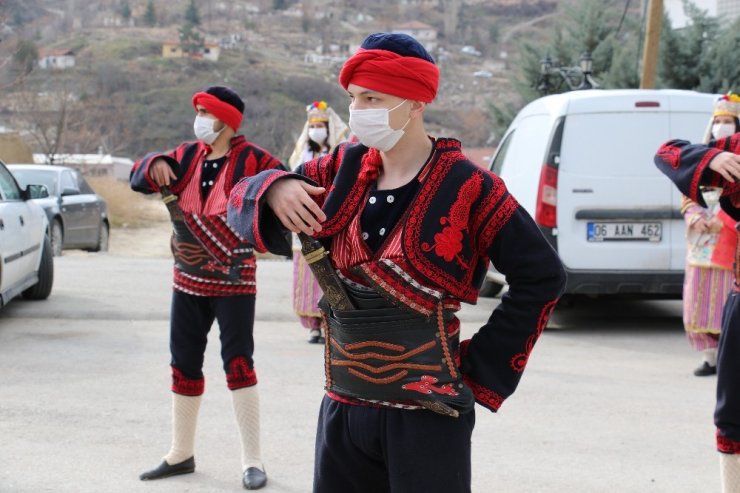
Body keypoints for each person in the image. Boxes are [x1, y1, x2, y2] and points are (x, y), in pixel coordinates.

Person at [227, 33, 566, 492]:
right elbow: (238, 201)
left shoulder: (471, 187)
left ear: (415, 102)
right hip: (343, 408)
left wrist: (481, 369)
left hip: (428, 418)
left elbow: (542, 276)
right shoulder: (337, 171)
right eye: (353, 98)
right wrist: (274, 185)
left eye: (372, 98)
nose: (357, 110)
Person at [130, 85, 285, 490]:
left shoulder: (255, 160)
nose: (199, 119)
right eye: (197, 111)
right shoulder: (184, 156)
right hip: (187, 281)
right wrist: (155, 163)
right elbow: (139, 176)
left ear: (227, 122)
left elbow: (283, 183)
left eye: (206, 113)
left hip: (235, 282)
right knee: (183, 362)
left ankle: (253, 460)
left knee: (238, 363)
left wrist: (267, 195)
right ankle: (180, 453)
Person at [654, 91, 740, 492]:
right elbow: (668, 153)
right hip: (726, 267)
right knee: (734, 412)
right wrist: (710, 158)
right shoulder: (734, 150)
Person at [680, 95, 740, 376]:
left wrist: (723, 220)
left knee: (725, 302)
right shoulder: (703, 157)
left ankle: (728, 356)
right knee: (698, 302)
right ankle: (710, 357)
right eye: (717, 121)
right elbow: (687, 194)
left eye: (727, 121)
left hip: (729, 242)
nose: (721, 126)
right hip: (700, 242)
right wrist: (695, 216)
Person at [287, 101, 350, 343]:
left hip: (330, 216)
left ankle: (329, 323)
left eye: (320, 125)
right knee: (306, 275)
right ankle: (313, 326)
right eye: (312, 125)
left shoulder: (338, 153)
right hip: (305, 218)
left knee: (330, 272)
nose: (316, 130)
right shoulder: (303, 152)